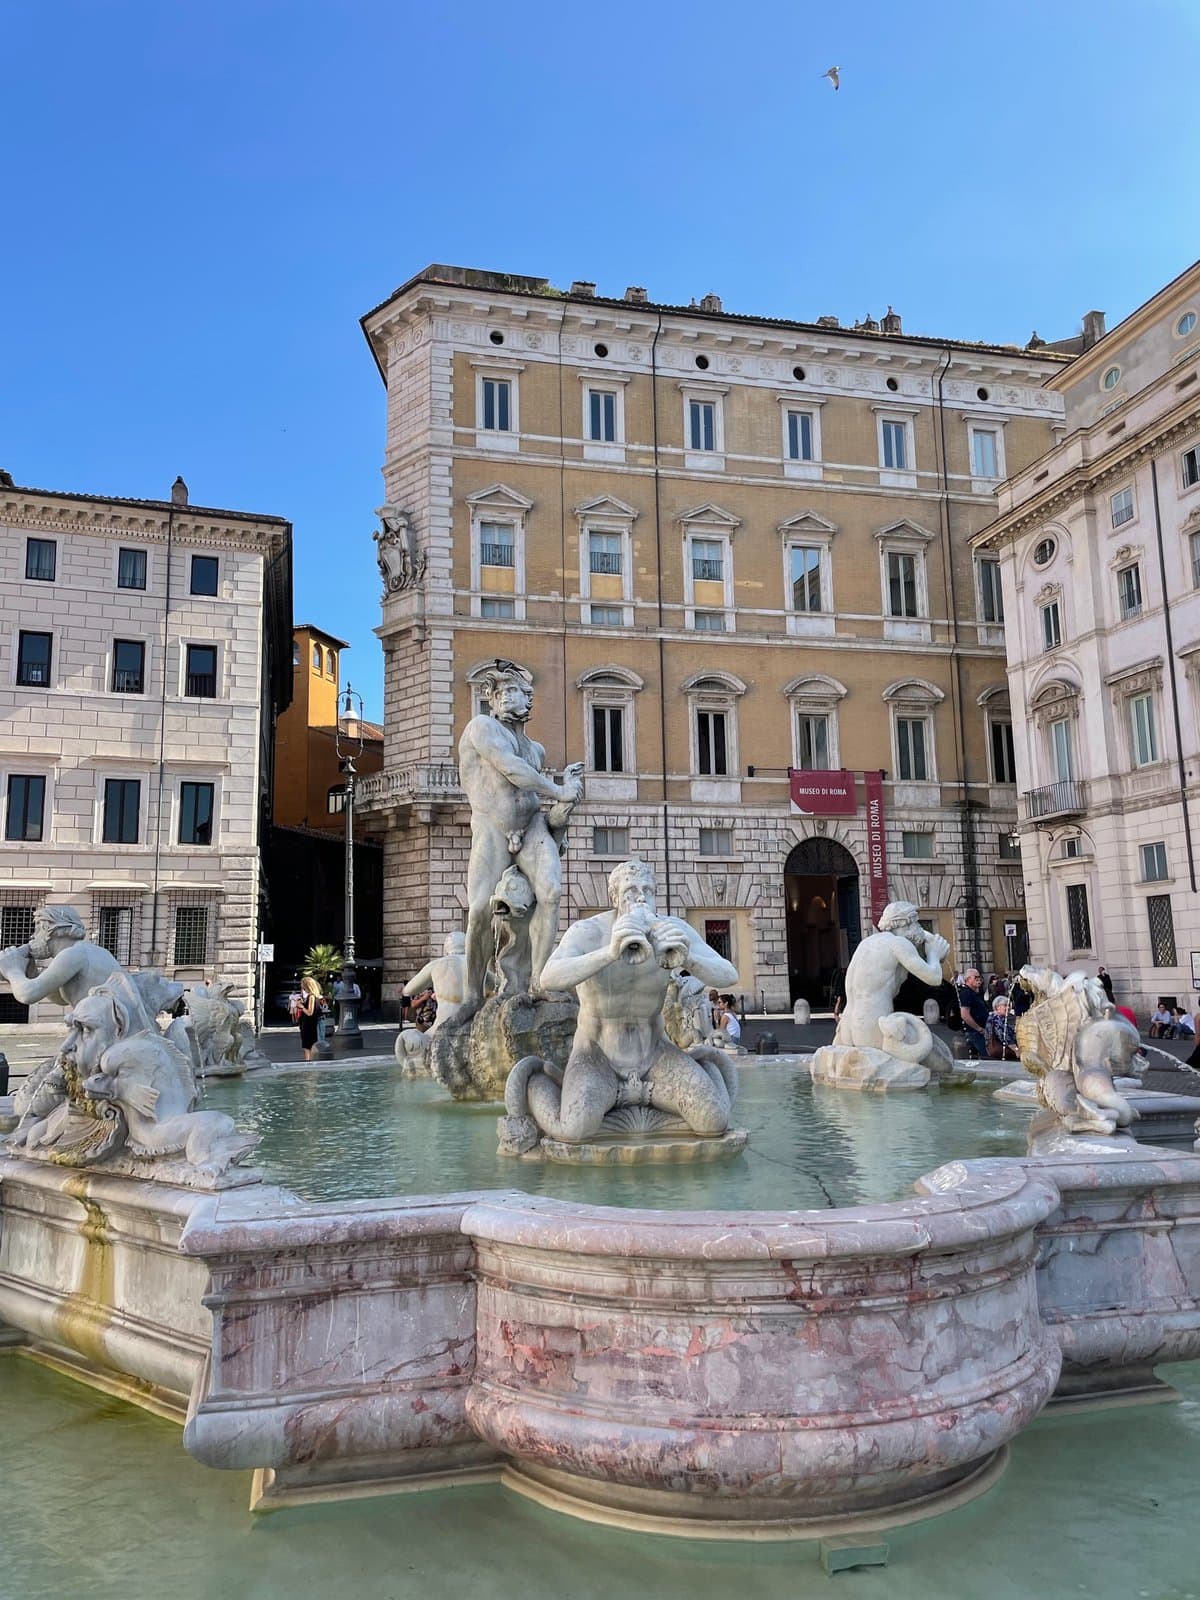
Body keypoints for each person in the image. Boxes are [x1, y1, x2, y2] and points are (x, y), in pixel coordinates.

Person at [457, 661, 584, 1013]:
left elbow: (533, 789)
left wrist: (564, 809)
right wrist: (559, 791)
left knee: (553, 892)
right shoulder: (482, 728)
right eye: (510, 692)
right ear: (494, 700)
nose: (520, 699)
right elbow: (511, 770)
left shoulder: (536, 749)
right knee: (480, 909)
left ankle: (538, 980)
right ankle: (472, 994)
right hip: (492, 826)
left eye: (524, 693)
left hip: (531, 826)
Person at [957, 968, 990, 1058]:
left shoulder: (974, 993)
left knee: (980, 1056)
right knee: (987, 1055)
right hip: (974, 1032)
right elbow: (964, 1014)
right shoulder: (966, 993)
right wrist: (979, 1028)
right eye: (976, 977)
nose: (979, 980)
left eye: (980, 977)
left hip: (979, 1030)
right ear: (968, 979)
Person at [295, 975, 322, 1061]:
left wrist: (301, 1007)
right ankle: (309, 1061)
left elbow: (310, 1012)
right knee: (309, 1045)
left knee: (307, 1046)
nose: (302, 988)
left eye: (303, 986)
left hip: (308, 1024)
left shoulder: (311, 997)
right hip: (309, 1023)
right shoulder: (314, 996)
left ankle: (308, 1061)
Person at [984, 995, 1020, 1061]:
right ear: (997, 1007)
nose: (1008, 1008)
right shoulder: (997, 1018)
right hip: (1001, 1050)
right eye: (1005, 1005)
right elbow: (1004, 1036)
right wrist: (1016, 1050)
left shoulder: (994, 1016)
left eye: (1009, 1005)